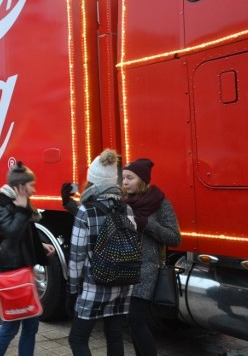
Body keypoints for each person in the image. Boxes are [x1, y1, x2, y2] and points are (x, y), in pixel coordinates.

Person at [66, 148, 133, 356]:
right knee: (114, 335)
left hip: (95, 286)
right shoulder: (126, 209)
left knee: (77, 339)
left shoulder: (86, 211)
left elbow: (77, 256)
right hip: (123, 283)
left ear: (93, 182)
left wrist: (72, 290)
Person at [0, 161, 55, 356]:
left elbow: (23, 233)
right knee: (10, 327)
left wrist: (40, 245)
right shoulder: (2, 203)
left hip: (24, 271)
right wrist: (21, 209)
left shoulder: (18, 203)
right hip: (13, 272)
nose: (34, 189)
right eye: (31, 185)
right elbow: (9, 232)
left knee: (31, 326)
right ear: (20, 186)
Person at [122, 158, 181, 356]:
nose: (125, 182)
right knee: (132, 323)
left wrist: (146, 224)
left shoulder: (160, 203)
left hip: (146, 269)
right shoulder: (124, 204)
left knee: (136, 320)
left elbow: (175, 238)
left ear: (143, 180)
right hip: (125, 268)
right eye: (123, 178)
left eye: (130, 178)